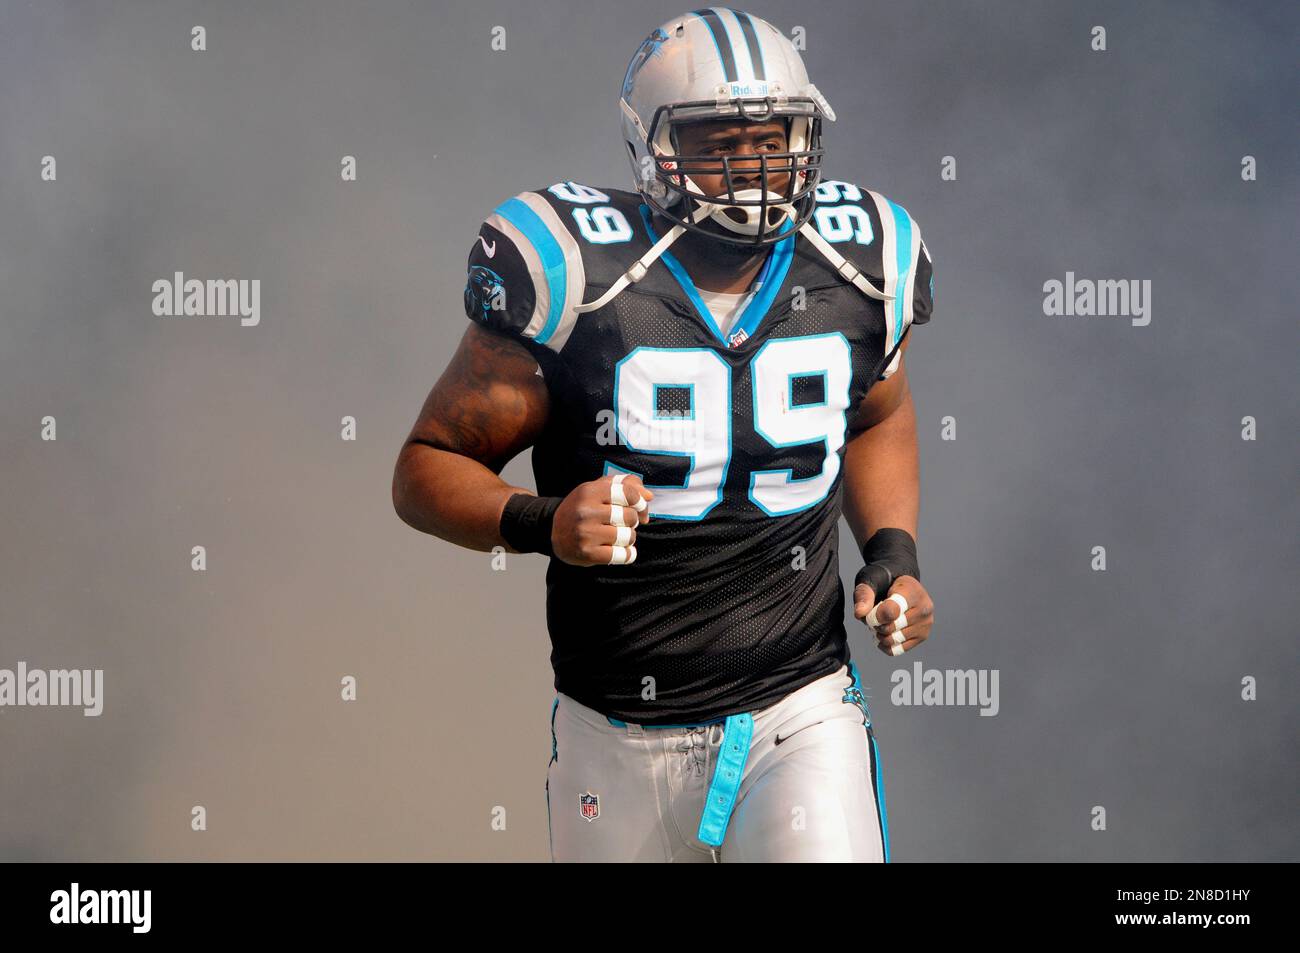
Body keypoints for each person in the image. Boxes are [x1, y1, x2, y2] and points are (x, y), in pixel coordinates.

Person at [392, 7, 937, 862]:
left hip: (798, 711)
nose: (756, 167)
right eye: (720, 142)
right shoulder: (576, 274)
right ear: (652, 148)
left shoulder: (862, 262)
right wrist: (546, 521)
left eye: (776, 137)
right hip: (614, 735)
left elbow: (877, 411)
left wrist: (893, 551)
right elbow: (426, 467)